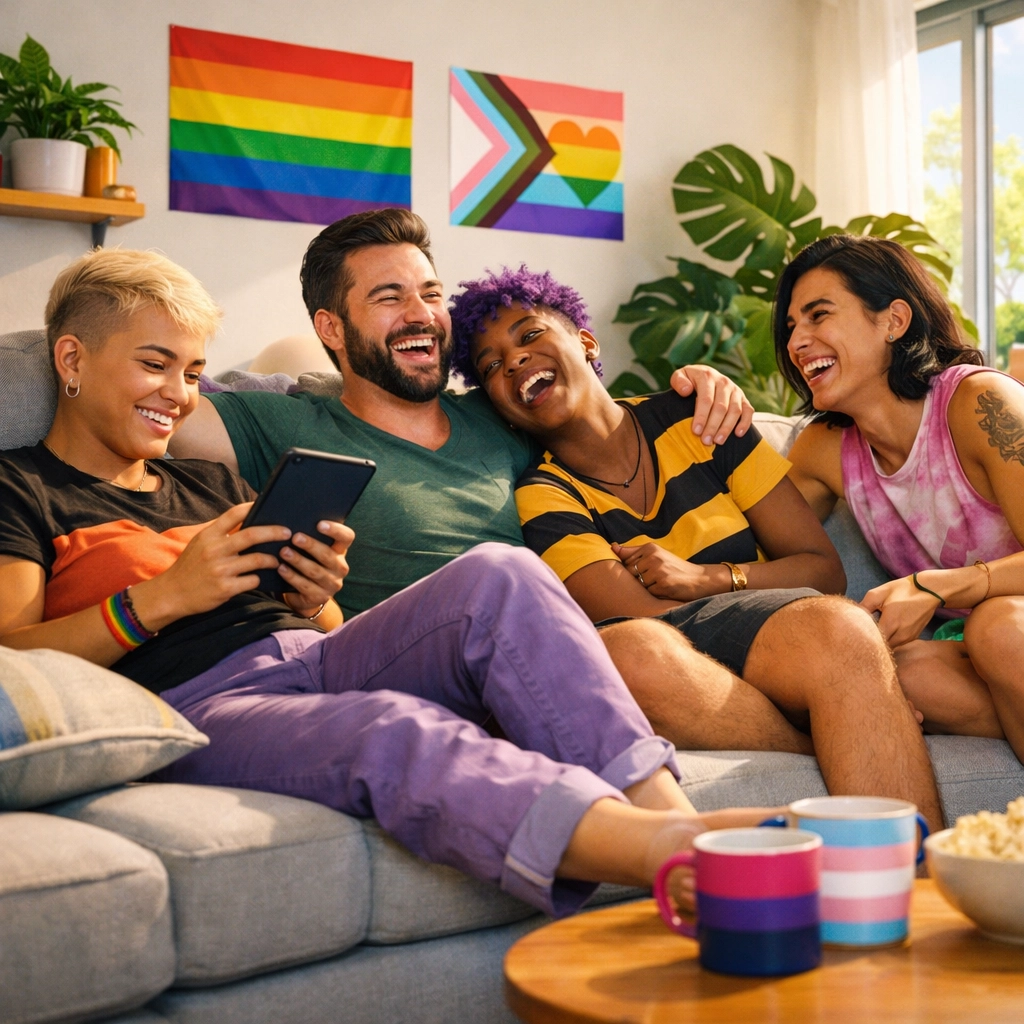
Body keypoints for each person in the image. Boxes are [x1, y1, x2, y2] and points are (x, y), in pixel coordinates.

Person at [0, 248, 776, 918]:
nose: (177, 392)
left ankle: (670, 824)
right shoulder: (22, 488)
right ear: (71, 360)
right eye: (154, 364)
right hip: (199, 704)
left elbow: (326, 627)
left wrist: (317, 594)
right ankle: (676, 853)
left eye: (194, 371)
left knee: (499, 572)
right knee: (391, 729)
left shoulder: (202, 480)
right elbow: (13, 651)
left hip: (309, 660)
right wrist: (161, 598)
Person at [448, 265, 944, 832]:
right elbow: (644, 621)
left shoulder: (700, 416)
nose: (511, 360)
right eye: (490, 366)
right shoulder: (543, 495)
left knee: (845, 630)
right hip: (693, 669)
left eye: (529, 334)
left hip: (782, 635)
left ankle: (916, 891)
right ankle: (837, 728)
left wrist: (706, 578)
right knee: (634, 655)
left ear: (585, 343)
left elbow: (820, 569)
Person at [776, 234, 1024, 762]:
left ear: (893, 320)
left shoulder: (981, 403)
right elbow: (747, 536)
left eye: (819, 315)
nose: (798, 341)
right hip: (976, 649)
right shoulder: (824, 450)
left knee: (998, 626)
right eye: (792, 326)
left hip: (1008, 630)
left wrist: (935, 587)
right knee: (895, 672)